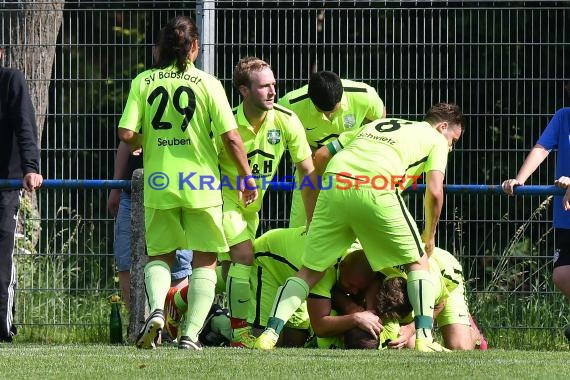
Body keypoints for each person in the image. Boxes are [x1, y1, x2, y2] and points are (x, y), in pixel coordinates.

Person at [253, 103, 464, 352]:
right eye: (454, 140)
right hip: (376, 187)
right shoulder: (435, 140)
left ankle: (268, 335)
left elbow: (320, 156)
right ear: (443, 127)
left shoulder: (376, 125)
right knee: (417, 263)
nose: (451, 146)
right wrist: (429, 235)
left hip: (335, 185)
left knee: (309, 272)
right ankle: (424, 339)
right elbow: (435, 191)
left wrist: (324, 197)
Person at [117, 16, 257, 350]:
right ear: (194, 47)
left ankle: (155, 312)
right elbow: (232, 137)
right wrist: (246, 176)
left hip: (160, 182)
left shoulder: (144, 82)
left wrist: (143, 137)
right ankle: (191, 334)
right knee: (205, 261)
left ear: (162, 48)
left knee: (159, 257)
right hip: (201, 185)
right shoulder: (208, 84)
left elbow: (125, 134)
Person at [214, 57, 316, 347]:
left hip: (251, 211)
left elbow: (307, 171)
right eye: (264, 86)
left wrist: (313, 220)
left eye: (273, 84)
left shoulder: (286, 119)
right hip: (224, 203)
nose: (272, 91)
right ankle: (239, 335)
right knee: (245, 258)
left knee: (227, 273)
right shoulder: (226, 123)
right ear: (244, 91)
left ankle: (180, 298)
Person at [164, 226, 386, 348]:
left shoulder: (356, 255)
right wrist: (356, 317)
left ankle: (182, 297)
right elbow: (320, 325)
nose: (353, 292)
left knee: (293, 341)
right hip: (266, 264)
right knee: (257, 340)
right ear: (343, 268)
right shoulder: (325, 269)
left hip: (289, 271)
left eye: (359, 289)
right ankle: (215, 321)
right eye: (351, 286)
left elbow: (363, 282)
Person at [277, 71, 386, 227]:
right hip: (311, 166)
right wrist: (311, 155)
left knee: (356, 222)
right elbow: (283, 132)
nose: (328, 115)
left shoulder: (365, 95)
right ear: (311, 100)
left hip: (352, 165)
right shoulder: (289, 104)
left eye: (333, 110)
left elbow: (380, 119)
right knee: (301, 224)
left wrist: (357, 150)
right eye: (323, 111)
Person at [107, 142, 192, 310]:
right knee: (126, 262)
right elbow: (126, 139)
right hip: (132, 192)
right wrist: (116, 186)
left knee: (178, 264)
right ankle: (141, 329)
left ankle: (170, 330)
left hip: (176, 192)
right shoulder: (135, 115)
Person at [502, 108, 570, 308]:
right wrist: (519, 180)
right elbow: (542, 148)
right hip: (565, 213)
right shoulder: (563, 116)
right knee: (562, 275)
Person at [0, 45, 43, 342]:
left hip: (5, 184)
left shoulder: (11, 80)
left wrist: (31, 167)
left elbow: (25, 126)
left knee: (2, 253)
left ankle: (1, 325)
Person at [376, 247, 487, 351]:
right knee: (410, 345)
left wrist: (411, 328)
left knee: (460, 347)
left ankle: (474, 333)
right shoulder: (380, 272)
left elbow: (441, 303)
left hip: (447, 278)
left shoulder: (427, 286)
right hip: (410, 278)